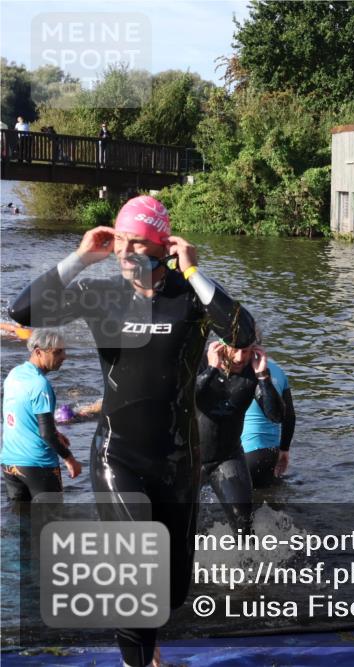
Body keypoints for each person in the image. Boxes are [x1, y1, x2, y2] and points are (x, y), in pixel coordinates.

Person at [8, 195, 256, 667]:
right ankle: (136, 661)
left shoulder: (189, 299)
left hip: (179, 459)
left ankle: (147, 645)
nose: (125, 252)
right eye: (121, 240)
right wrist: (82, 256)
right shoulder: (102, 296)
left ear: (164, 249)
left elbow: (244, 334)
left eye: (138, 243)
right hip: (118, 455)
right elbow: (23, 312)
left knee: (172, 589)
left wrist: (195, 272)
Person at [197, 340, 282, 533]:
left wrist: (263, 376)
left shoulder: (252, 372)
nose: (239, 358)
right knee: (179, 521)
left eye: (245, 351)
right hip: (189, 457)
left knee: (243, 525)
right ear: (221, 345)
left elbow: (275, 416)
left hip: (227, 457)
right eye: (235, 351)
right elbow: (185, 396)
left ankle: (247, 562)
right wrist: (211, 370)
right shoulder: (200, 361)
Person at [1, 329, 82, 503]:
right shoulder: (40, 384)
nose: (64, 356)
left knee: (20, 523)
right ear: (38, 352)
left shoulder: (14, 374)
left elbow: (19, 413)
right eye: (58, 352)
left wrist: (55, 432)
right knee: (51, 523)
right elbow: (46, 434)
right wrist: (70, 459)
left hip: (10, 464)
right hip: (38, 465)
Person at [240, 333, 295, 487]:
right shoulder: (278, 371)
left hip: (244, 454)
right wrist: (284, 450)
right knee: (269, 501)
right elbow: (289, 416)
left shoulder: (238, 371)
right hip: (271, 453)